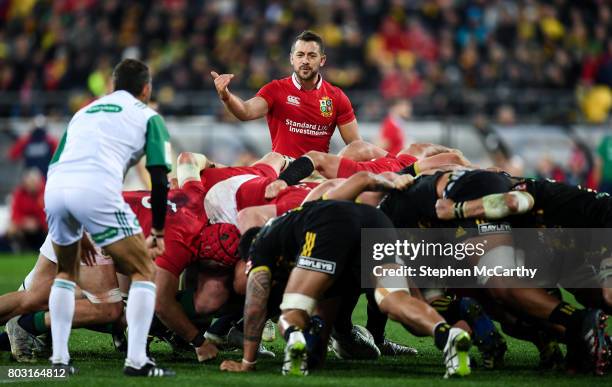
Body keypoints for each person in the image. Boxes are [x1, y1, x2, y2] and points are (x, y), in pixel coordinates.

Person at [43, 59, 174, 377]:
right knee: (144, 269)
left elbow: (57, 160)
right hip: (97, 189)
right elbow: (159, 178)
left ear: (113, 86)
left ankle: (59, 361)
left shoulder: (84, 111)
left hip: (56, 188)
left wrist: (79, 221)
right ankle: (138, 360)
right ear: (146, 89)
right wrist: (157, 230)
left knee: (66, 271)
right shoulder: (149, 116)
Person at [211, 30, 361, 158]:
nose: (305, 61)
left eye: (312, 56)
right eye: (300, 55)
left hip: (317, 179)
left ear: (322, 60)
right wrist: (226, 96)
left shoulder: (336, 97)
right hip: (283, 177)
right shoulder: (275, 90)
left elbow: (356, 146)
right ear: (291, 58)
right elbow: (245, 112)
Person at [7, 169, 47, 251]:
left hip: (41, 226)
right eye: (29, 182)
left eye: (33, 182)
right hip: (25, 226)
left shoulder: (45, 193)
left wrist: (37, 222)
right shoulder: (19, 193)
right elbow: (15, 214)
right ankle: (18, 250)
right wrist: (24, 222)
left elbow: (47, 214)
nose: (31, 185)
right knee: (11, 228)